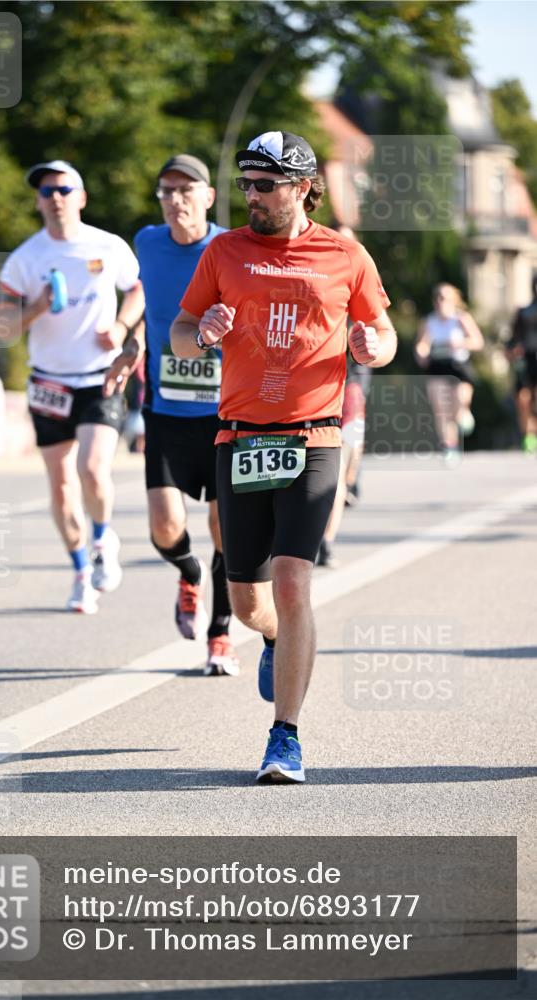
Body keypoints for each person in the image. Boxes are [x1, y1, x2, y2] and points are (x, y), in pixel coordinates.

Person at [170, 131, 397, 782]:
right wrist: (199, 334)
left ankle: (284, 737)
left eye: (265, 185)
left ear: (301, 187)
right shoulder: (223, 251)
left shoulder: (343, 253)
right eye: (245, 184)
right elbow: (184, 331)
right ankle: (271, 638)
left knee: (294, 577)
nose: (252, 197)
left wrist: (370, 346)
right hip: (240, 437)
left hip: (314, 435)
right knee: (247, 603)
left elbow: (382, 332)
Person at [106, 154, 239, 676]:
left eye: (186, 190)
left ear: (208, 197)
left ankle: (221, 635)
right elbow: (153, 308)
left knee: (225, 527)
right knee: (164, 526)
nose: (175, 199)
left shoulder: (231, 249)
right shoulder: (147, 243)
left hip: (227, 411)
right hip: (165, 407)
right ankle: (189, 573)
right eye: (165, 191)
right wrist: (130, 344)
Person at [0, 159, 144, 614]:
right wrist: (36, 308)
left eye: (63, 189)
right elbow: (2, 329)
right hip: (48, 383)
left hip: (99, 376)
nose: (54, 197)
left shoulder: (108, 246)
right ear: (38, 202)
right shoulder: (26, 258)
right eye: (45, 191)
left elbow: (139, 290)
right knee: (60, 486)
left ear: (81, 197)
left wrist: (120, 327)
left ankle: (102, 539)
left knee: (93, 470)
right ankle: (81, 572)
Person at [316, 224, 372, 568]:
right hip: (316, 392)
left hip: (351, 392)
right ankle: (324, 542)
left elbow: (382, 335)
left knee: (345, 470)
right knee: (334, 474)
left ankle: (326, 540)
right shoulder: (314, 278)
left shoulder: (363, 282)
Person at [414, 283, 484, 460]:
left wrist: (461, 343)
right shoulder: (429, 321)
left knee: (459, 403)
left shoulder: (461, 319)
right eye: (437, 297)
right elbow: (422, 344)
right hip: (438, 366)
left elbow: (478, 341)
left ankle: (465, 413)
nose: (440, 301)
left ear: (453, 300)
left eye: (444, 297)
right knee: (441, 408)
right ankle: (449, 446)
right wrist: (421, 353)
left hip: (459, 366)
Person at [507, 275, 537, 453]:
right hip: (525, 360)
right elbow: (513, 338)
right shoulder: (523, 312)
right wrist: (511, 350)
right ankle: (529, 434)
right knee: (523, 399)